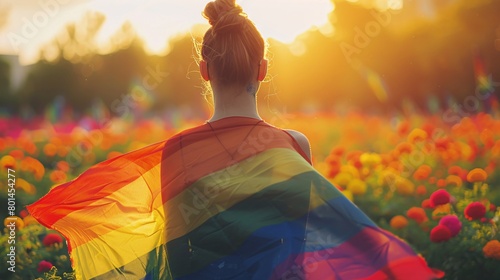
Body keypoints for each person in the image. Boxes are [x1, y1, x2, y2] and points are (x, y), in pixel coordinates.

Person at [28, 0, 444, 279]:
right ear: (262, 69)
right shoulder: (294, 145)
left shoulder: (179, 150)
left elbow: (177, 253)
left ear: (205, 71)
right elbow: (302, 246)